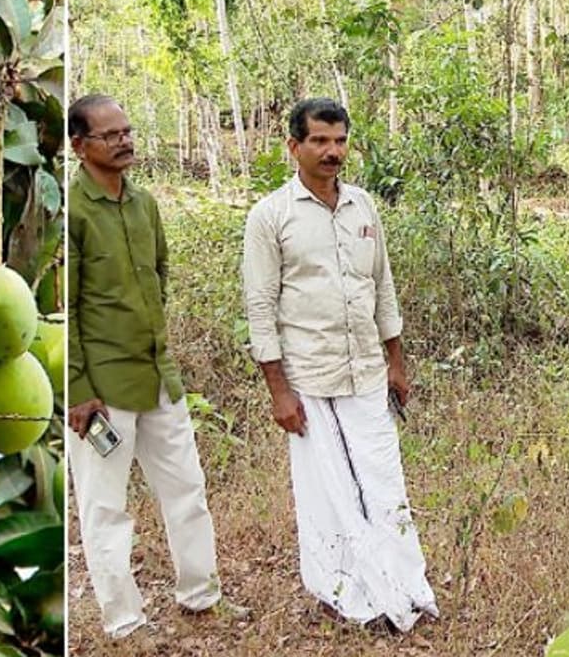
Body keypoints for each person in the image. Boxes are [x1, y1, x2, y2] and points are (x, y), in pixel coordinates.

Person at [241, 97, 438, 632]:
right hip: (309, 376)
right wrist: (279, 392)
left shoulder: (362, 207)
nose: (332, 152)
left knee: (384, 484)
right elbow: (260, 308)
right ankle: (344, 595)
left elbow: (382, 287)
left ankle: (405, 590)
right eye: (320, 141)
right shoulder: (270, 217)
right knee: (325, 491)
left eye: (340, 141)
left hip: (367, 370)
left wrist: (396, 362)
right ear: (294, 146)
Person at [66, 94, 240, 639]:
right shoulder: (72, 212)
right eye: (110, 135)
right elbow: (66, 308)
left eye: (127, 131)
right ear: (79, 145)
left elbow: (159, 274)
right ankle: (124, 622)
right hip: (103, 392)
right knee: (105, 508)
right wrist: (77, 387)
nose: (124, 141)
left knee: (187, 488)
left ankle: (201, 596)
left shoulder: (144, 204)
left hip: (159, 378)